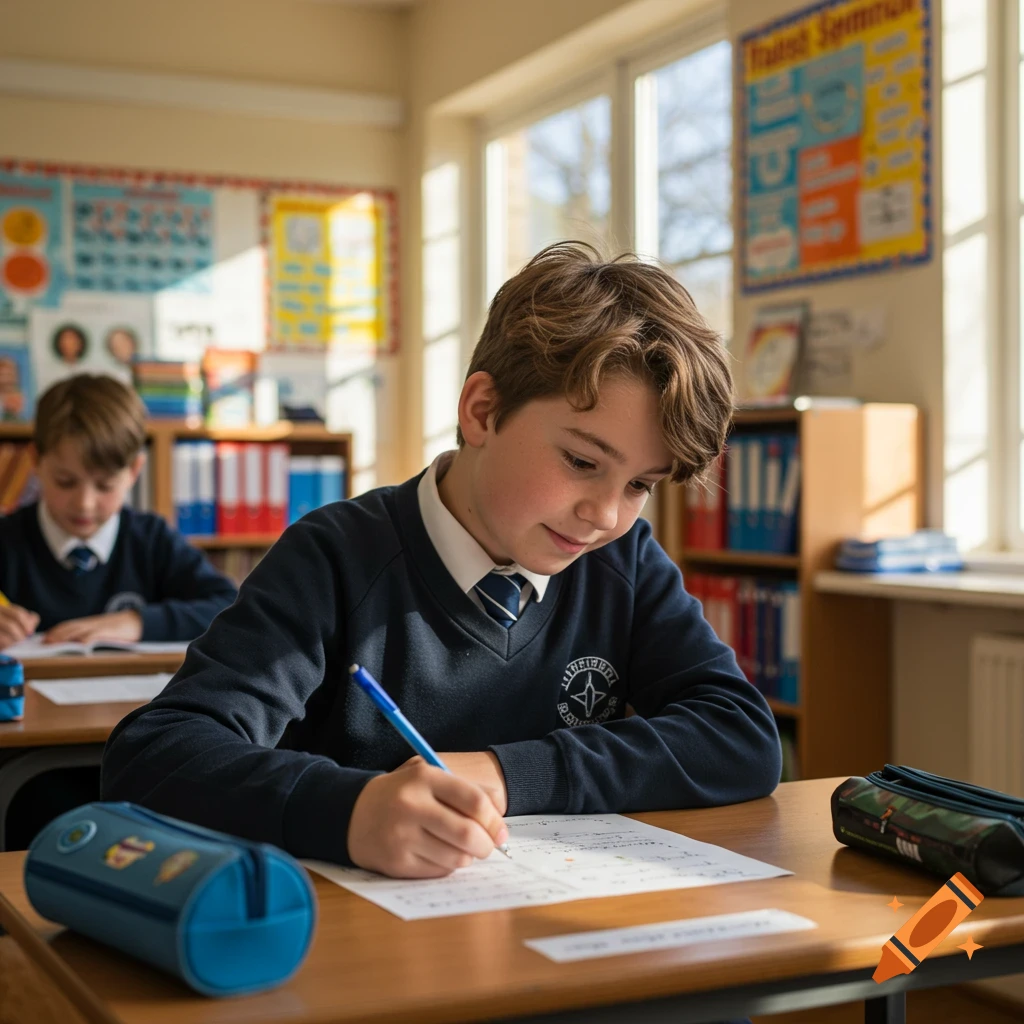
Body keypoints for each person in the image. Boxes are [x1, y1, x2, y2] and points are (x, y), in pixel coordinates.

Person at [102, 242, 781, 881]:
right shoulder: (336, 557)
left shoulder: (622, 562)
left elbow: (740, 737)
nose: (606, 514)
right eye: (581, 462)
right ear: (482, 412)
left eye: (640, 485)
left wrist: (507, 775)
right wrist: (349, 812)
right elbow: (155, 754)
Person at [0, 373, 238, 848]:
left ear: (134, 471)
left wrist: (135, 622)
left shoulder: (149, 540)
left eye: (105, 485)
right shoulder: (8, 541)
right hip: (25, 755)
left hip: (133, 739)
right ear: (36, 462)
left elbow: (228, 603)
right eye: (66, 481)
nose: (85, 503)